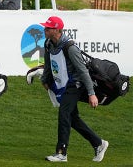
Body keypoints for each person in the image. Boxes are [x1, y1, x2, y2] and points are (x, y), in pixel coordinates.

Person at [39, 16, 109, 163]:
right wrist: (45, 80)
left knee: (64, 114)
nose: (45, 29)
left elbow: (83, 71)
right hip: (63, 84)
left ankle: (61, 152)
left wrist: (91, 94)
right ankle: (98, 143)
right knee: (73, 119)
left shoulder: (70, 47)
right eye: (45, 27)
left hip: (75, 85)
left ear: (57, 30)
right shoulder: (48, 43)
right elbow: (48, 64)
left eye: (48, 28)